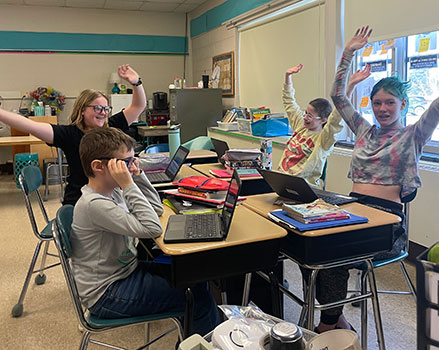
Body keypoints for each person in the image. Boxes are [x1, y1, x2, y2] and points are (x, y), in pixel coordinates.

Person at [306, 25, 439, 333]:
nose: (382, 109)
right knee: (311, 245)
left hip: (387, 225)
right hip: (353, 209)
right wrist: (349, 52)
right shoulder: (364, 131)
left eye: (389, 102)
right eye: (377, 102)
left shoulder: (414, 135)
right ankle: (335, 317)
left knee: (334, 252)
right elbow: (337, 95)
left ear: (403, 105)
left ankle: (327, 325)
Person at [70, 127, 220, 336]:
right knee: (199, 303)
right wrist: (129, 184)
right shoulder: (94, 204)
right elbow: (152, 228)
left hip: (125, 272)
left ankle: (189, 339)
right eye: (126, 162)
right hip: (107, 293)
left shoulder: (112, 191)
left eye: (134, 160)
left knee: (194, 276)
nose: (131, 167)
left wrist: (138, 176)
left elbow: (156, 209)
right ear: (98, 166)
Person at [0, 64, 146, 205]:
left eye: (106, 108)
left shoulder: (112, 127)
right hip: (81, 200)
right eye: (97, 108)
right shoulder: (69, 134)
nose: (103, 112)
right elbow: (30, 125)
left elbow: (138, 106)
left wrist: (136, 83)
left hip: (112, 197)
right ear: (82, 110)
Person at [278, 64, 360, 185]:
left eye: (310, 116)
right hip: (282, 179)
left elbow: (336, 118)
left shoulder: (323, 140)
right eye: (305, 113)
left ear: (323, 120)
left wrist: (350, 87)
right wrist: (288, 76)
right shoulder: (301, 126)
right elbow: (289, 102)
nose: (305, 117)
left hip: (303, 185)